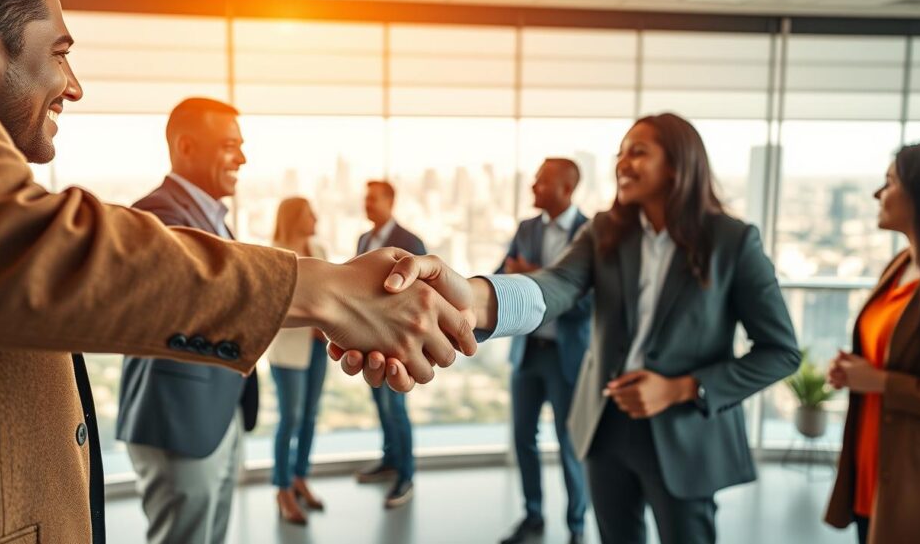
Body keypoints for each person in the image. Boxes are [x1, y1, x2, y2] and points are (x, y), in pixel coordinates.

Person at [0, 0, 473, 543]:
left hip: (208, 423)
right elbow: (29, 253)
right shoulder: (144, 218)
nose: (74, 85)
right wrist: (329, 292)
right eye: (59, 54)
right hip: (177, 430)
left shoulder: (216, 218)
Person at [338, 113, 801, 544]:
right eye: (621, 151)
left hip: (684, 432)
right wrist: (464, 302)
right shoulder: (605, 231)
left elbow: (780, 352)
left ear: (679, 164)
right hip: (607, 426)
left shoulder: (733, 242)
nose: (624, 161)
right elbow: (554, 286)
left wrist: (683, 389)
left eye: (638, 151)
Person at [115, 97, 260, 544]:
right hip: (177, 421)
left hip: (217, 414)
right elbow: (211, 298)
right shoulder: (157, 217)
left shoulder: (212, 217)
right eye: (229, 145)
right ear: (187, 146)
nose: (242, 157)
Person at [824, 142, 920, 544]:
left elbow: (888, 377)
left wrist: (880, 381)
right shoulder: (900, 266)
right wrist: (854, 369)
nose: (879, 194)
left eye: (890, 182)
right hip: (872, 471)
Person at [497, 159, 590, 544]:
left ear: (566, 189)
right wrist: (517, 272)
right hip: (528, 353)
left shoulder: (590, 234)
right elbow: (501, 278)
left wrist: (532, 272)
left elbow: (588, 303)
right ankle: (533, 515)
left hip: (566, 357)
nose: (533, 185)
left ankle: (576, 525)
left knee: (570, 445)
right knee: (523, 438)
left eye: (542, 180)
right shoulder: (526, 228)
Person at [353, 180, 425, 509]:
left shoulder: (410, 242)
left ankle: (406, 474)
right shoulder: (364, 240)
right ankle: (390, 459)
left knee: (396, 409)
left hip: (397, 341)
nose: (367, 204)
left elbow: (423, 294)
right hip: (370, 341)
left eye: (373, 199)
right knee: (381, 406)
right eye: (366, 199)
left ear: (390, 202)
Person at [266, 197, 329, 525]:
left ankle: (300, 477)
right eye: (309, 213)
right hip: (288, 352)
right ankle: (282, 488)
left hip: (319, 347)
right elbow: (274, 307)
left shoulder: (318, 249)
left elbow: (331, 296)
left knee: (310, 417)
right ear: (294, 218)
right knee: (289, 419)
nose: (315, 217)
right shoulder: (274, 253)